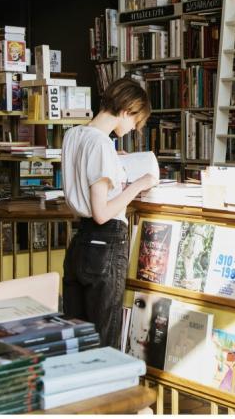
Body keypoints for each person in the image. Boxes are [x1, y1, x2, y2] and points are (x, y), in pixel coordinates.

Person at [62, 78, 157, 349]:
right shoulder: (102, 146)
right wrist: (139, 184)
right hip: (105, 242)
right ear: (127, 110)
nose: (131, 130)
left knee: (77, 338)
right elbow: (101, 212)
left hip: (79, 242)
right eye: (135, 123)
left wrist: (115, 161)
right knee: (105, 340)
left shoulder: (74, 135)